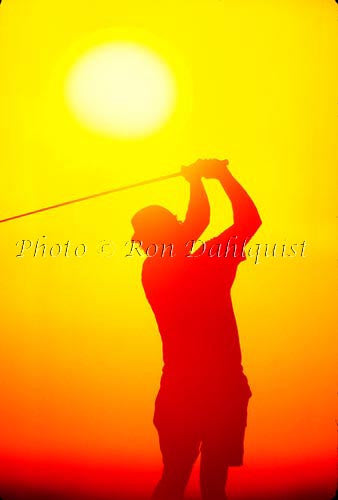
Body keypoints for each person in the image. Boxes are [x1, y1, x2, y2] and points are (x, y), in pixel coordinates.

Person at [131, 159, 262, 500]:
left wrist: (199, 181)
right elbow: (248, 221)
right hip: (222, 387)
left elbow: (195, 224)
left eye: (143, 236)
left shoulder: (154, 271)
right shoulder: (212, 261)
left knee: (174, 478)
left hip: (181, 389)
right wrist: (218, 176)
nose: (138, 243)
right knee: (213, 483)